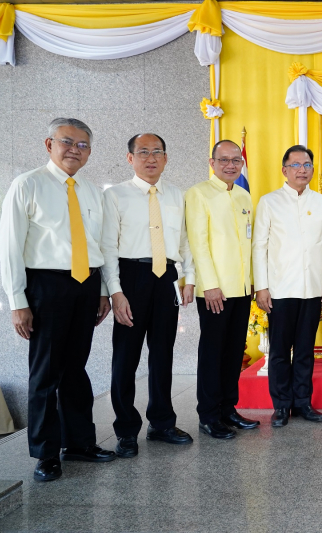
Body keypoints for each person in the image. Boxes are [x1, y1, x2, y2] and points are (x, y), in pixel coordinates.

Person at [0, 118, 115, 482]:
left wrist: (102, 290)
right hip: (46, 286)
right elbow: (10, 246)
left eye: (82, 145)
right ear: (49, 144)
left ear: (90, 152)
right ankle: (46, 453)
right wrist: (18, 300)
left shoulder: (93, 191)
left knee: (76, 369)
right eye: (67, 142)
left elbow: (100, 245)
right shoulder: (27, 184)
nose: (74, 150)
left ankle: (79, 442)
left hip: (86, 284)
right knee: (46, 372)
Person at [101, 134, 196, 458]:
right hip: (131, 276)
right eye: (143, 152)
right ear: (130, 158)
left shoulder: (176, 195)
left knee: (163, 354)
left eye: (157, 152)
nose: (151, 158)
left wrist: (188, 279)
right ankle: (126, 430)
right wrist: (115, 292)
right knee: (125, 358)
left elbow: (184, 242)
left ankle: (162, 423)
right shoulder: (115, 196)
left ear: (166, 158)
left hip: (165, 277)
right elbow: (108, 247)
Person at [253, 145, 322, 427]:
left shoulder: (321, 202)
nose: (302, 170)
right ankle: (281, 405)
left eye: (307, 165)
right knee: (279, 351)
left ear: (313, 169)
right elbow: (259, 247)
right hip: (279, 289)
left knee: (304, 350)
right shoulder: (269, 202)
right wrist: (261, 287)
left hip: (312, 288)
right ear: (284, 170)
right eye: (296, 165)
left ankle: (303, 403)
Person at [185, 140, 260, 440]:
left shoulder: (243, 195)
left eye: (236, 160)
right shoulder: (198, 194)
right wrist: (210, 285)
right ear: (212, 162)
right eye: (224, 159)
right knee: (213, 352)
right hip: (215, 290)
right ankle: (208, 414)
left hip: (242, 289)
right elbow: (198, 243)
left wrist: (252, 281)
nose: (231, 165)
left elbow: (248, 242)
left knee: (233, 352)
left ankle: (229, 408)